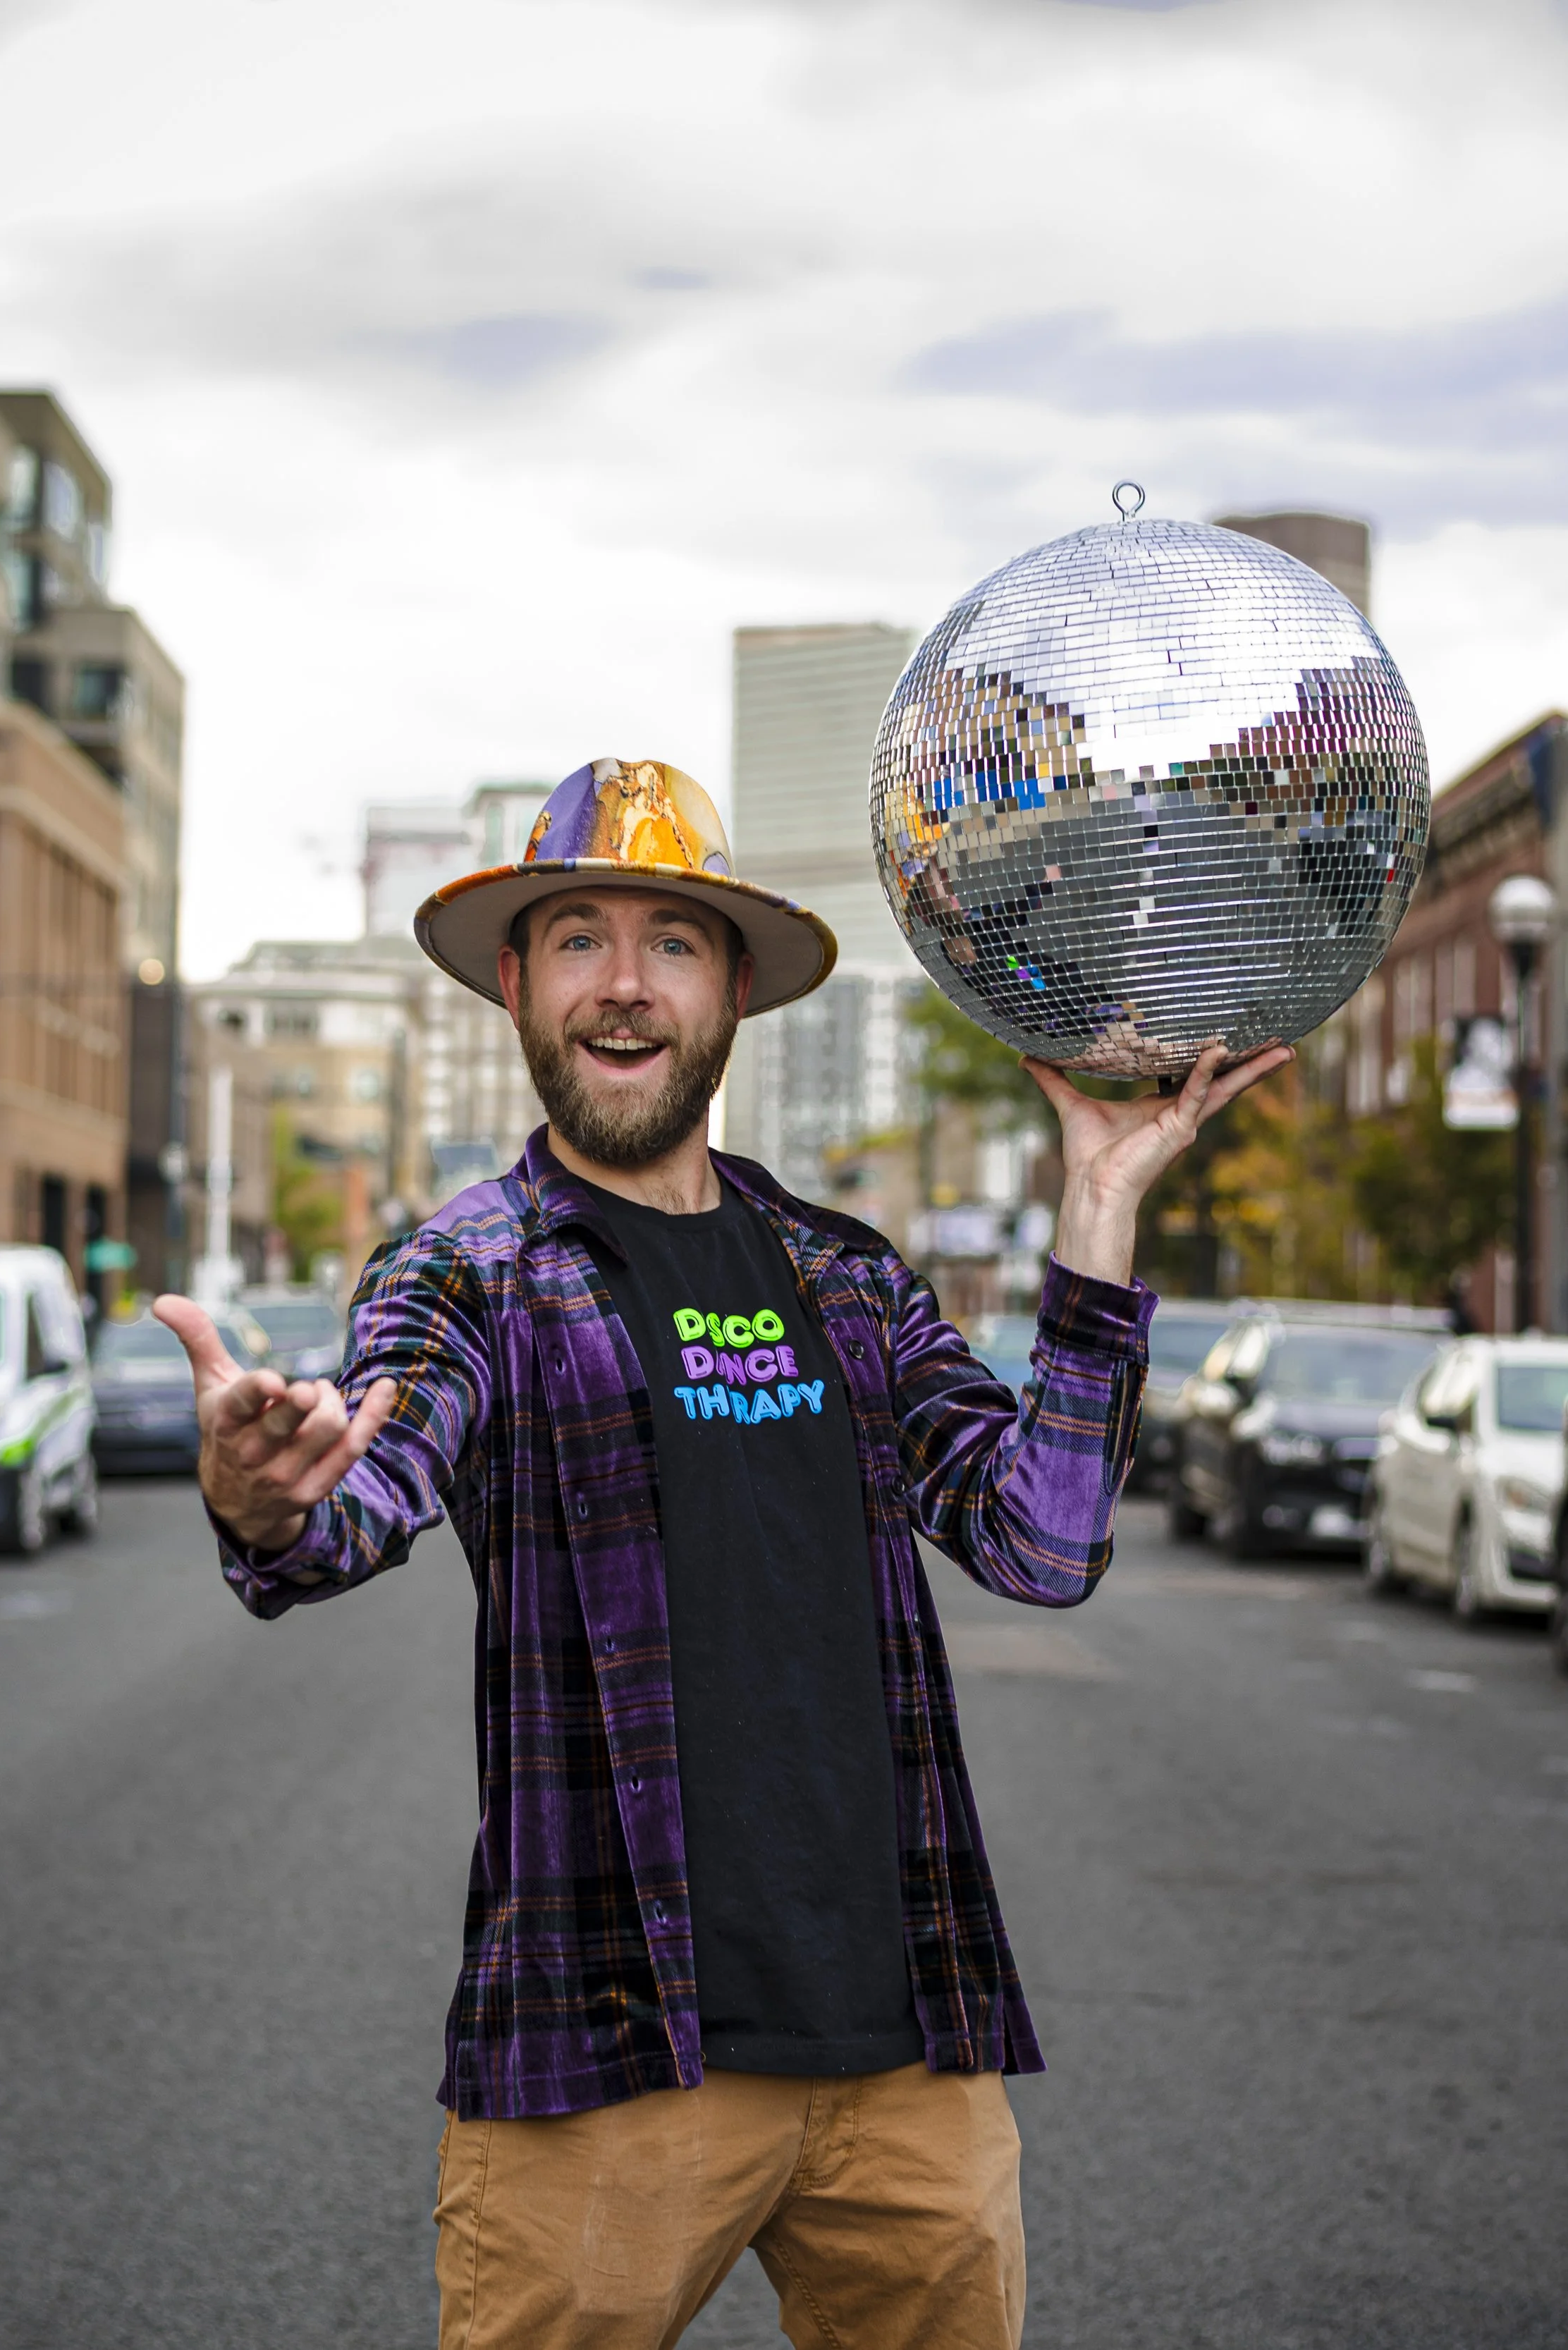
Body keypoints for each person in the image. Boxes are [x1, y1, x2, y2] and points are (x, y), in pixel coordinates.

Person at [157, 757, 1290, 2350]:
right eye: (576, 939)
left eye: (671, 942)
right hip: (612, 2047)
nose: (623, 984)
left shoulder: (845, 1276)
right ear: (514, 984)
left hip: (904, 2047)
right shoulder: (473, 1274)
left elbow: (1039, 1545)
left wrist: (1096, 1212)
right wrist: (265, 1497)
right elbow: (365, 1483)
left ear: (734, 991)